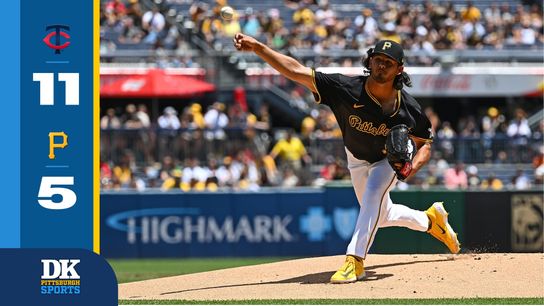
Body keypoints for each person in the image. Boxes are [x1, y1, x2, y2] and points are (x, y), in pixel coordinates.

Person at [233, 33, 460, 283]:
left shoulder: (409, 109)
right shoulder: (345, 89)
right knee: (382, 215)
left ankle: (355, 261)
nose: (381, 65)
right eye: (377, 59)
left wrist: (409, 169)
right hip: (356, 158)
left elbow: (425, 144)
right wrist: (258, 48)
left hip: (386, 161)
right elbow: (296, 70)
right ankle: (430, 220)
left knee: (374, 192)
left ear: (399, 69)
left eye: (388, 62)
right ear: (369, 61)